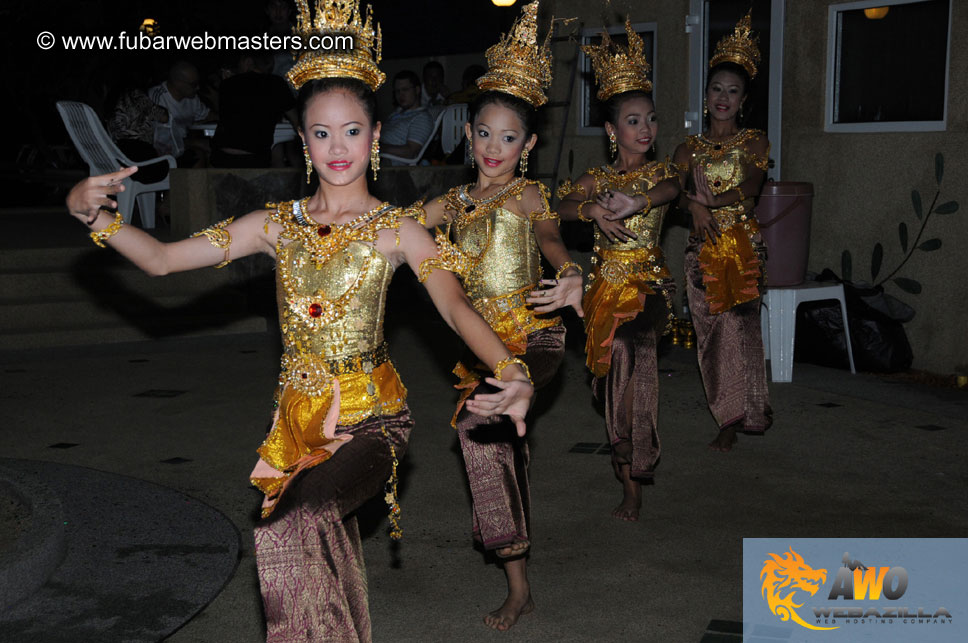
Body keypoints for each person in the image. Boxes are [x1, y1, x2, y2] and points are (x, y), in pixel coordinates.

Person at [65, 2, 533, 640]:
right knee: (304, 541)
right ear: (304, 141)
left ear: (374, 135)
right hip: (296, 421)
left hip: (373, 420)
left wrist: (510, 369)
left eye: (352, 130)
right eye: (321, 132)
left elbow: (455, 306)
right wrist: (96, 216)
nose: (338, 147)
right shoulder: (275, 226)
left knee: (292, 524)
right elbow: (162, 260)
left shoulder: (397, 230)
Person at [409, 1, 582, 631]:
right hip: (482, 345)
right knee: (492, 445)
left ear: (528, 145)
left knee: (483, 425)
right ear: (468, 133)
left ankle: (517, 584)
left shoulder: (528, 193)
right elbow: (398, 228)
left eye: (509, 137)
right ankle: (518, 573)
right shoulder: (454, 201)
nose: (494, 147)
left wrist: (569, 270)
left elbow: (552, 238)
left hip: (534, 336)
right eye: (484, 133)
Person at [557, 20, 680, 522]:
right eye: (633, 121)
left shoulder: (661, 172)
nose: (646, 129)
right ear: (612, 131)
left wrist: (637, 202)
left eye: (650, 118)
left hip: (649, 287)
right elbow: (561, 206)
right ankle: (627, 473)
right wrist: (590, 210)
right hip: (604, 291)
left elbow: (672, 190)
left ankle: (636, 453)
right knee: (610, 383)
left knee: (634, 345)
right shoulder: (598, 178)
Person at [672, 10, 772, 452]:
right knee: (712, 336)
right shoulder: (687, 149)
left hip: (744, 247)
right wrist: (693, 204)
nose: (723, 97)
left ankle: (747, 412)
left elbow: (753, 185)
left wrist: (715, 200)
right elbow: (673, 194)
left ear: (743, 99)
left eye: (733, 91)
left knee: (741, 329)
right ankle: (727, 415)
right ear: (706, 95)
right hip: (702, 250)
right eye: (717, 88)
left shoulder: (753, 141)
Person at [211, 53, 296, 168]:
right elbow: (295, 119)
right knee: (278, 152)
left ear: (247, 62)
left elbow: (222, 115)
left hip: (221, 155)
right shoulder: (277, 83)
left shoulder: (227, 83)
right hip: (255, 158)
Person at [148, 60, 217, 166]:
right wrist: (194, 142)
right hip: (162, 154)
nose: (198, 88)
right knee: (199, 154)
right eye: (193, 84)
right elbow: (159, 141)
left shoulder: (192, 98)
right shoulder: (156, 97)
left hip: (183, 145)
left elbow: (208, 116)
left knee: (215, 149)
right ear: (178, 83)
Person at [379, 70, 434, 163]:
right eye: (397, 91)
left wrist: (378, 147)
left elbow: (411, 152)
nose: (400, 95)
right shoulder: (396, 113)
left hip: (388, 163)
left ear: (417, 90)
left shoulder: (422, 117)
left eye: (405, 90)